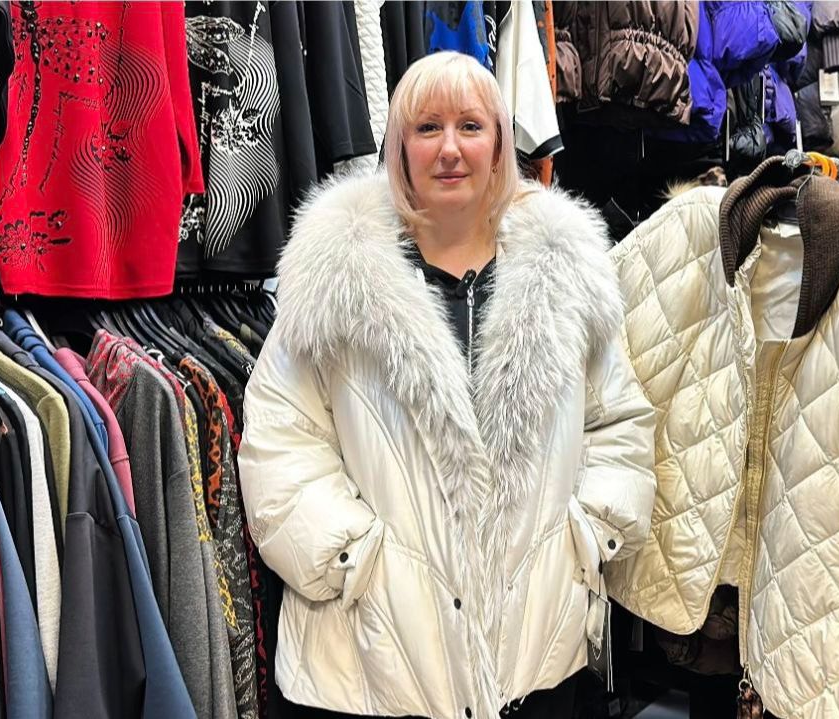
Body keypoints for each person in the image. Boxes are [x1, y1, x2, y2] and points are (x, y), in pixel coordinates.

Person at [237, 51, 656, 719]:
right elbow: (279, 439)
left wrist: (589, 531)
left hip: (535, 647)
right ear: (399, 146)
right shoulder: (334, 283)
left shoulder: (568, 280)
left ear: (500, 144)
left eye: (471, 125)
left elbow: (619, 423)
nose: (451, 148)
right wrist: (350, 556)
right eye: (427, 127)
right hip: (374, 658)